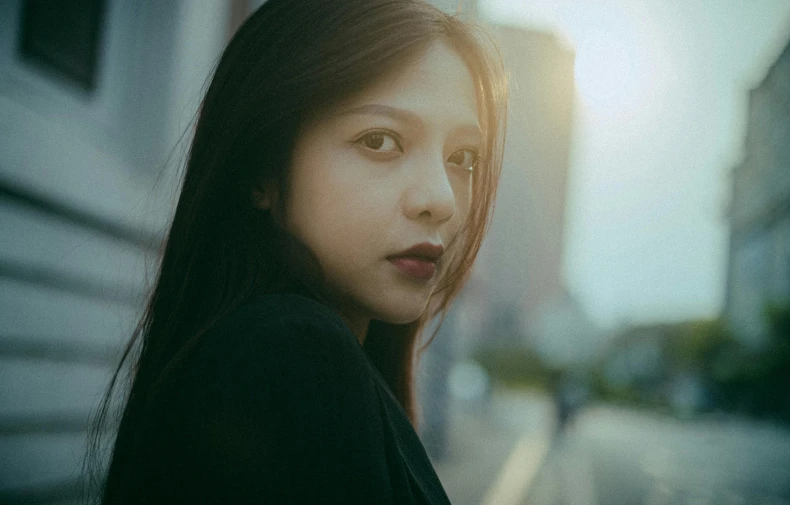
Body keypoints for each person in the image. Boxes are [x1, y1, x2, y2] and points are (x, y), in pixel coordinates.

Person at [85, 0, 507, 503]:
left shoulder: (280, 353)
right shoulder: (289, 352)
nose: (441, 200)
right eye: (380, 140)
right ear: (261, 166)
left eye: (464, 158)